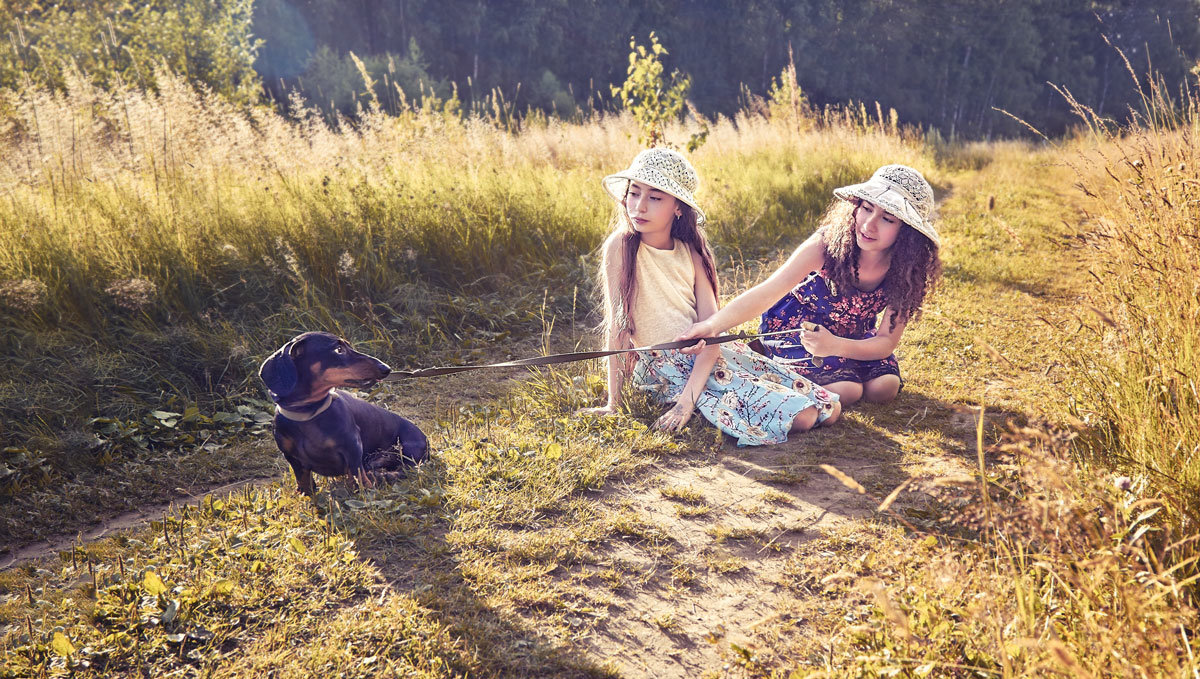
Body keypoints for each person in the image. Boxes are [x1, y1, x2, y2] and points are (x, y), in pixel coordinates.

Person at [579, 148, 840, 445]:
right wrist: (615, 403)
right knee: (804, 417)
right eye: (634, 193)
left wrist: (685, 404)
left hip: (710, 356)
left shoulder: (691, 250)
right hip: (665, 367)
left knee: (829, 408)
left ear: (678, 207)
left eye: (654, 197)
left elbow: (712, 331)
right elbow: (618, 325)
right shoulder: (622, 246)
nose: (638, 207)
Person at [677, 164, 942, 406]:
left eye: (888, 219)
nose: (869, 224)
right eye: (867, 208)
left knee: (885, 388)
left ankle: (839, 369)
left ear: (906, 232)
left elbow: (886, 341)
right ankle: (771, 357)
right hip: (800, 331)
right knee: (848, 390)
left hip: (852, 336)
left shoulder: (906, 270)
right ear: (856, 207)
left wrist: (836, 346)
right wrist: (712, 326)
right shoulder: (826, 246)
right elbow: (768, 291)